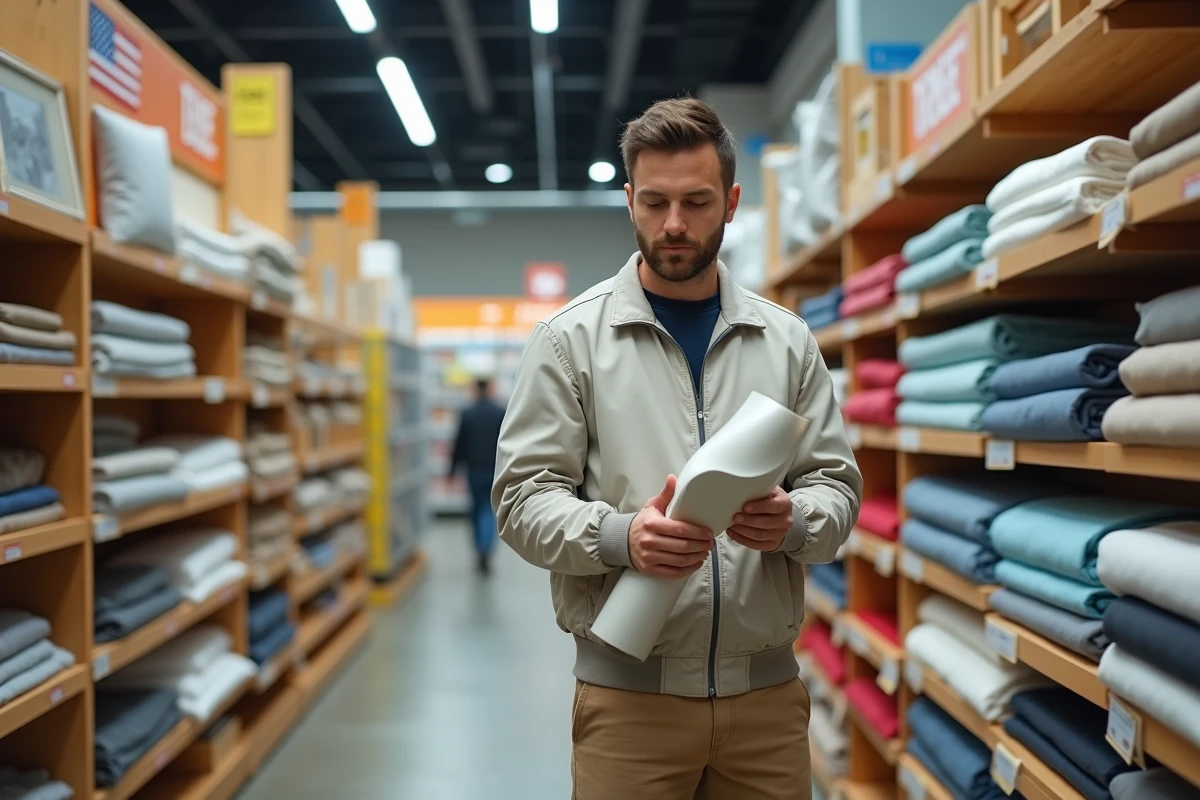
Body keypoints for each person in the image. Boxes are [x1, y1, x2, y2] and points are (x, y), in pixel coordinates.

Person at [492, 97, 862, 799]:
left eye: (695, 202)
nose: (672, 224)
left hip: (767, 706)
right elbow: (520, 499)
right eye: (654, 201)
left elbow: (836, 487)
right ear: (628, 199)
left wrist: (795, 521)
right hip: (629, 708)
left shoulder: (786, 341)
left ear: (731, 200)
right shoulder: (570, 342)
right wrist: (618, 536)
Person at [449, 377, 506, 574]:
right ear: (489, 389)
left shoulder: (467, 413)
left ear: (475, 390)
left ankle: (478, 549)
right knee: (489, 510)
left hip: (473, 470)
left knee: (475, 510)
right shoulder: (500, 412)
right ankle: (486, 550)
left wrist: (452, 471)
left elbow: (459, 445)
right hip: (495, 470)